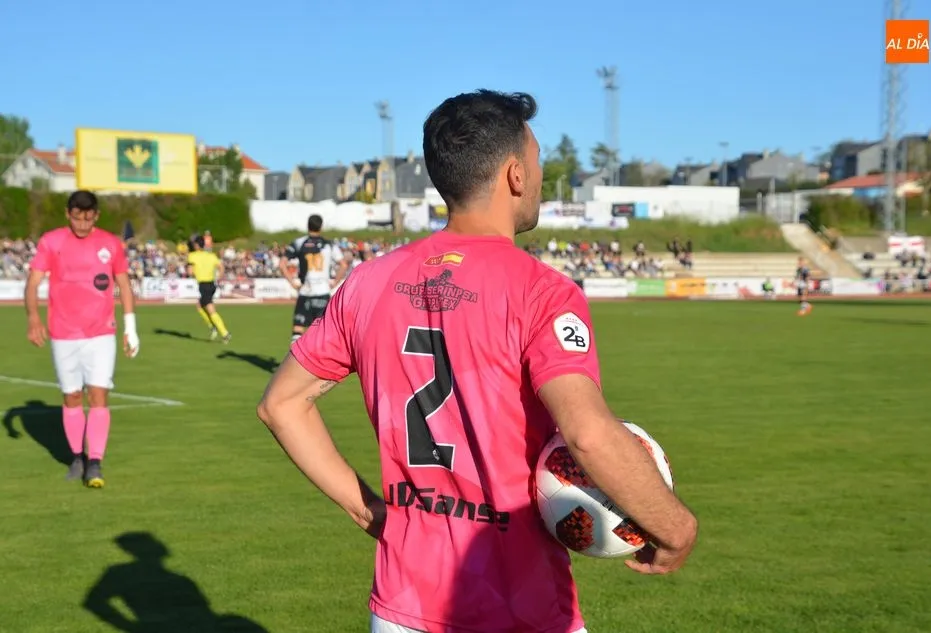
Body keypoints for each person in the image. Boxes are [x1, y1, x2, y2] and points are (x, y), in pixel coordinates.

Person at [257, 90, 698, 633]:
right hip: (520, 607)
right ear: (515, 174)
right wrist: (676, 527)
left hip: (402, 607)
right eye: (537, 162)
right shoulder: (541, 291)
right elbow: (588, 435)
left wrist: (365, 509)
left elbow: (281, 405)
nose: (539, 178)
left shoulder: (368, 283)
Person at [25, 190, 140, 488]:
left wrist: (130, 327)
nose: (83, 225)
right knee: (72, 396)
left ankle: (96, 463)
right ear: (68, 214)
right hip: (63, 333)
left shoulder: (110, 244)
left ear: (96, 216)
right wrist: (33, 318)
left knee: (99, 395)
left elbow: (124, 284)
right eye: (77, 218)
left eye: (88, 219)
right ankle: (77, 457)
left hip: (101, 333)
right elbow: (33, 282)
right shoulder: (51, 242)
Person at [278, 214, 349, 343]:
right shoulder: (329, 244)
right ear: (321, 227)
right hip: (323, 292)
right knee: (323, 334)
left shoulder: (299, 243)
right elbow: (344, 265)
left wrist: (292, 283)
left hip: (306, 291)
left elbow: (282, 264)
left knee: (297, 331)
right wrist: (335, 282)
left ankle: (294, 356)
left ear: (308, 226)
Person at [187, 235, 231, 343]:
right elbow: (221, 267)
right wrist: (219, 277)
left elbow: (190, 272)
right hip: (211, 284)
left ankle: (225, 333)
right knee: (199, 305)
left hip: (203, 284)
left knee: (210, 309)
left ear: (196, 245)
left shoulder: (192, 256)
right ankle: (212, 326)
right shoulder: (211, 255)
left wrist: (194, 272)